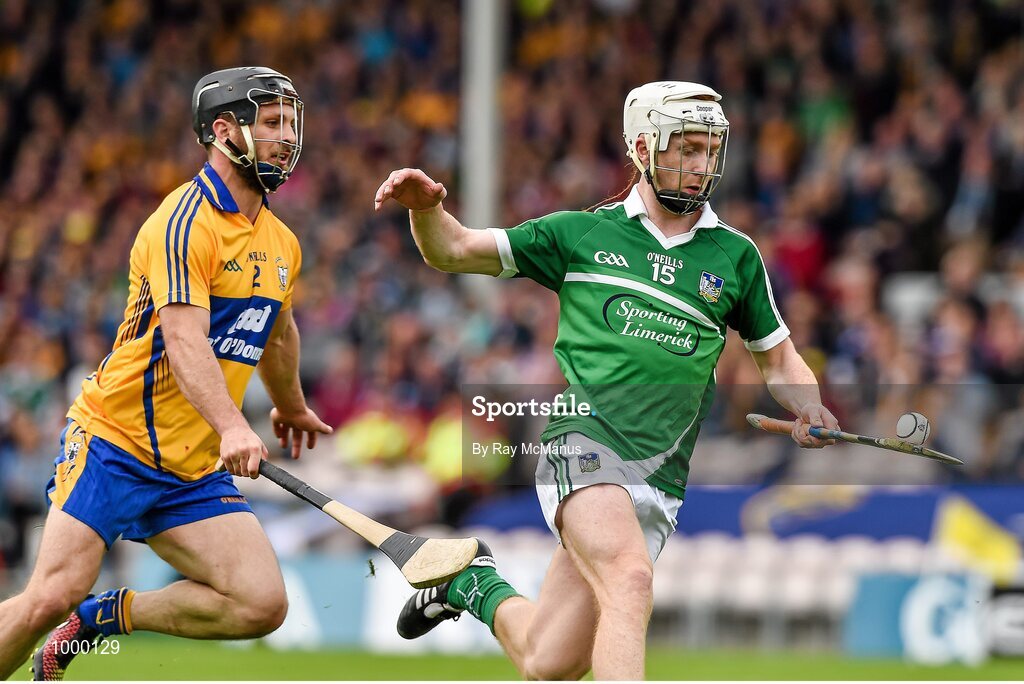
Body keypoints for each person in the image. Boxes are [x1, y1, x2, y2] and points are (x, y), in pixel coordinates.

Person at [374, 81, 839, 680]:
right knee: (630, 578)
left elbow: (779, 361)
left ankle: (470, 583)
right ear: (644, 147)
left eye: (709, 149)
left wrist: (811, 407)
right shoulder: (581, 234)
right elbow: (456, 249)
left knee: (549, 662)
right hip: (584, 439)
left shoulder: (736, 257)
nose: (699, 165)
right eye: (684, 147)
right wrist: (426, 209)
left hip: (660, 474)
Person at [0, 66, 332, 681]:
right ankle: (70, 615)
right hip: (115, 443)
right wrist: (235, 426)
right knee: (50, 595)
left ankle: (108, 618)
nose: (286, 136)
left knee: (261, 603)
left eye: (291, 122)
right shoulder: (184, 221)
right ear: (223, 130)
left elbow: (277, 332)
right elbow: (184, 340)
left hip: (188, 466)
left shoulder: (282, 241)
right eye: (271, 123)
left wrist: (288, 404)